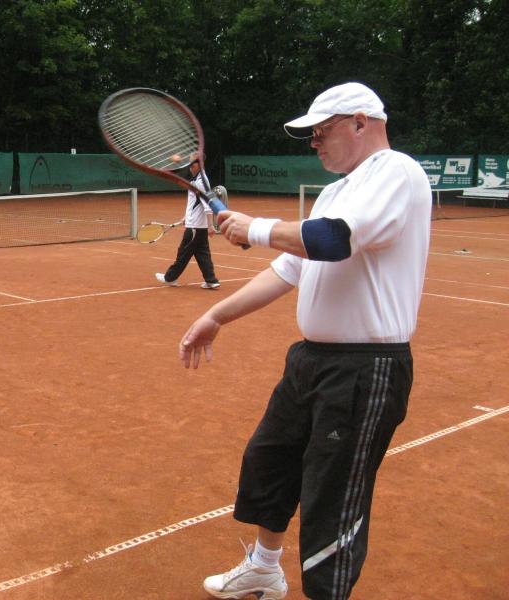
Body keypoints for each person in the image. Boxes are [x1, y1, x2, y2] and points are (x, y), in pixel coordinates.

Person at [179, 82, 431, 600]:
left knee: (331, 499)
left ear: (360, 123)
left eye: (321, 131)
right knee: (269, 460)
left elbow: (334, 239)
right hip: (311, 360)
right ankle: (263, 569)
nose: (314, 143)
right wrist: (216, 315)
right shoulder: (336, 192)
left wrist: (255, 227)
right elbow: (288, 269)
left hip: (365, 369)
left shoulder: (397, 172)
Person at [155, 153, 221, 289]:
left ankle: (170, 278)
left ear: (198, 164)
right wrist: (187, 217)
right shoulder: (197, 179)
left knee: (183, 253)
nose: (189, 166)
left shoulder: (201, 182)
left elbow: (207, 204)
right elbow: (195, 203)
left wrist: (210, 226)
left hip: (195, 227)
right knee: (202, 253)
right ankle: (211, 280)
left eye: (191, 163)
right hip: (198, 225)